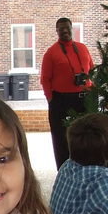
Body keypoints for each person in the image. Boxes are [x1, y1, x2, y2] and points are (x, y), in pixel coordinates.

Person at [40, 17, 94, 167]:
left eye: (67, 28)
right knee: (61, 139)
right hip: (61, 100)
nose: (64, 31)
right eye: (61, 29)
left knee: (85, 137)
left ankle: (85, 167)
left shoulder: (82, 48)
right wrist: (51, 100)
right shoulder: (51, 53)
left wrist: (92, 91)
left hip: (84, 98)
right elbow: (45, 79)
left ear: (72, 29)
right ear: (57, 31)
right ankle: (64, 170)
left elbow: (92, 70)